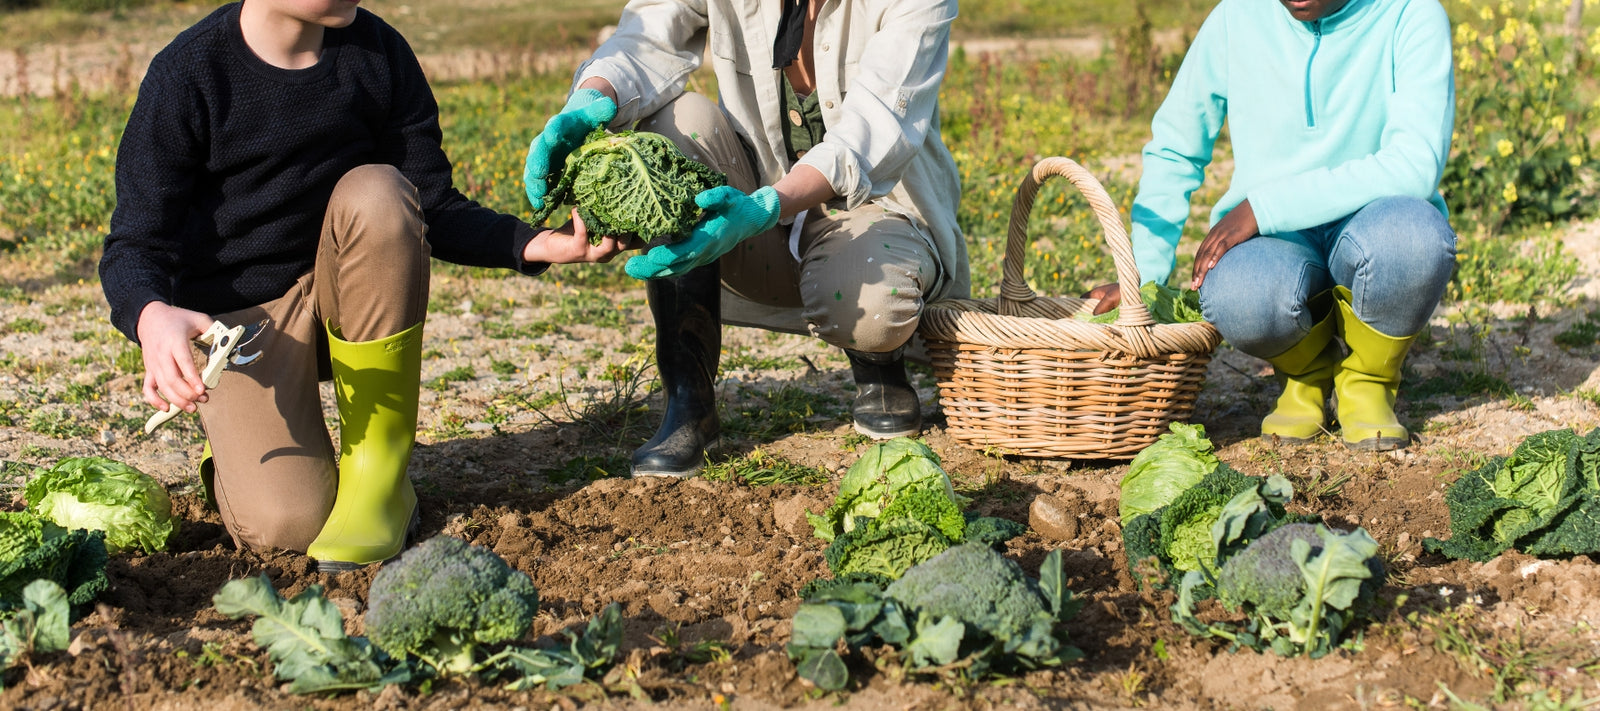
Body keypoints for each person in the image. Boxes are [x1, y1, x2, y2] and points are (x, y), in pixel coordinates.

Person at [99, 0, 630, 571]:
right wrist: (151, 314)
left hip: (354, 293)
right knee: (288, 526)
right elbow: (135, 244)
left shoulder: (378, 53)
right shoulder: (188, 73)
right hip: (242, 329)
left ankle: (381, 474)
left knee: (380, 191)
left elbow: (431, 202)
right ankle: (233, 452)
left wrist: (537, 244)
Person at [525, 0, 969, 477]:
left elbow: (875, 126)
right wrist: (592, 98)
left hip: (873, 215)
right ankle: (688, 400)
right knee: (676, 124)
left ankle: (879, 364)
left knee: (875, 310)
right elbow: (649, 33)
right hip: (754, 219)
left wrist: (767, 206)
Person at [1087, 0, 1457, 451]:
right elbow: (1175, 149)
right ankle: (1306, 376)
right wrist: (1142, 276)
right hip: (1278, 245)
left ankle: (1368, 381)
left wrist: (1265, 207)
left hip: (1374, 224)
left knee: (1416, 241)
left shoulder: (1411, 13)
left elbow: (1413, 166)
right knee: (1238, 293)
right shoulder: (1235, 16)